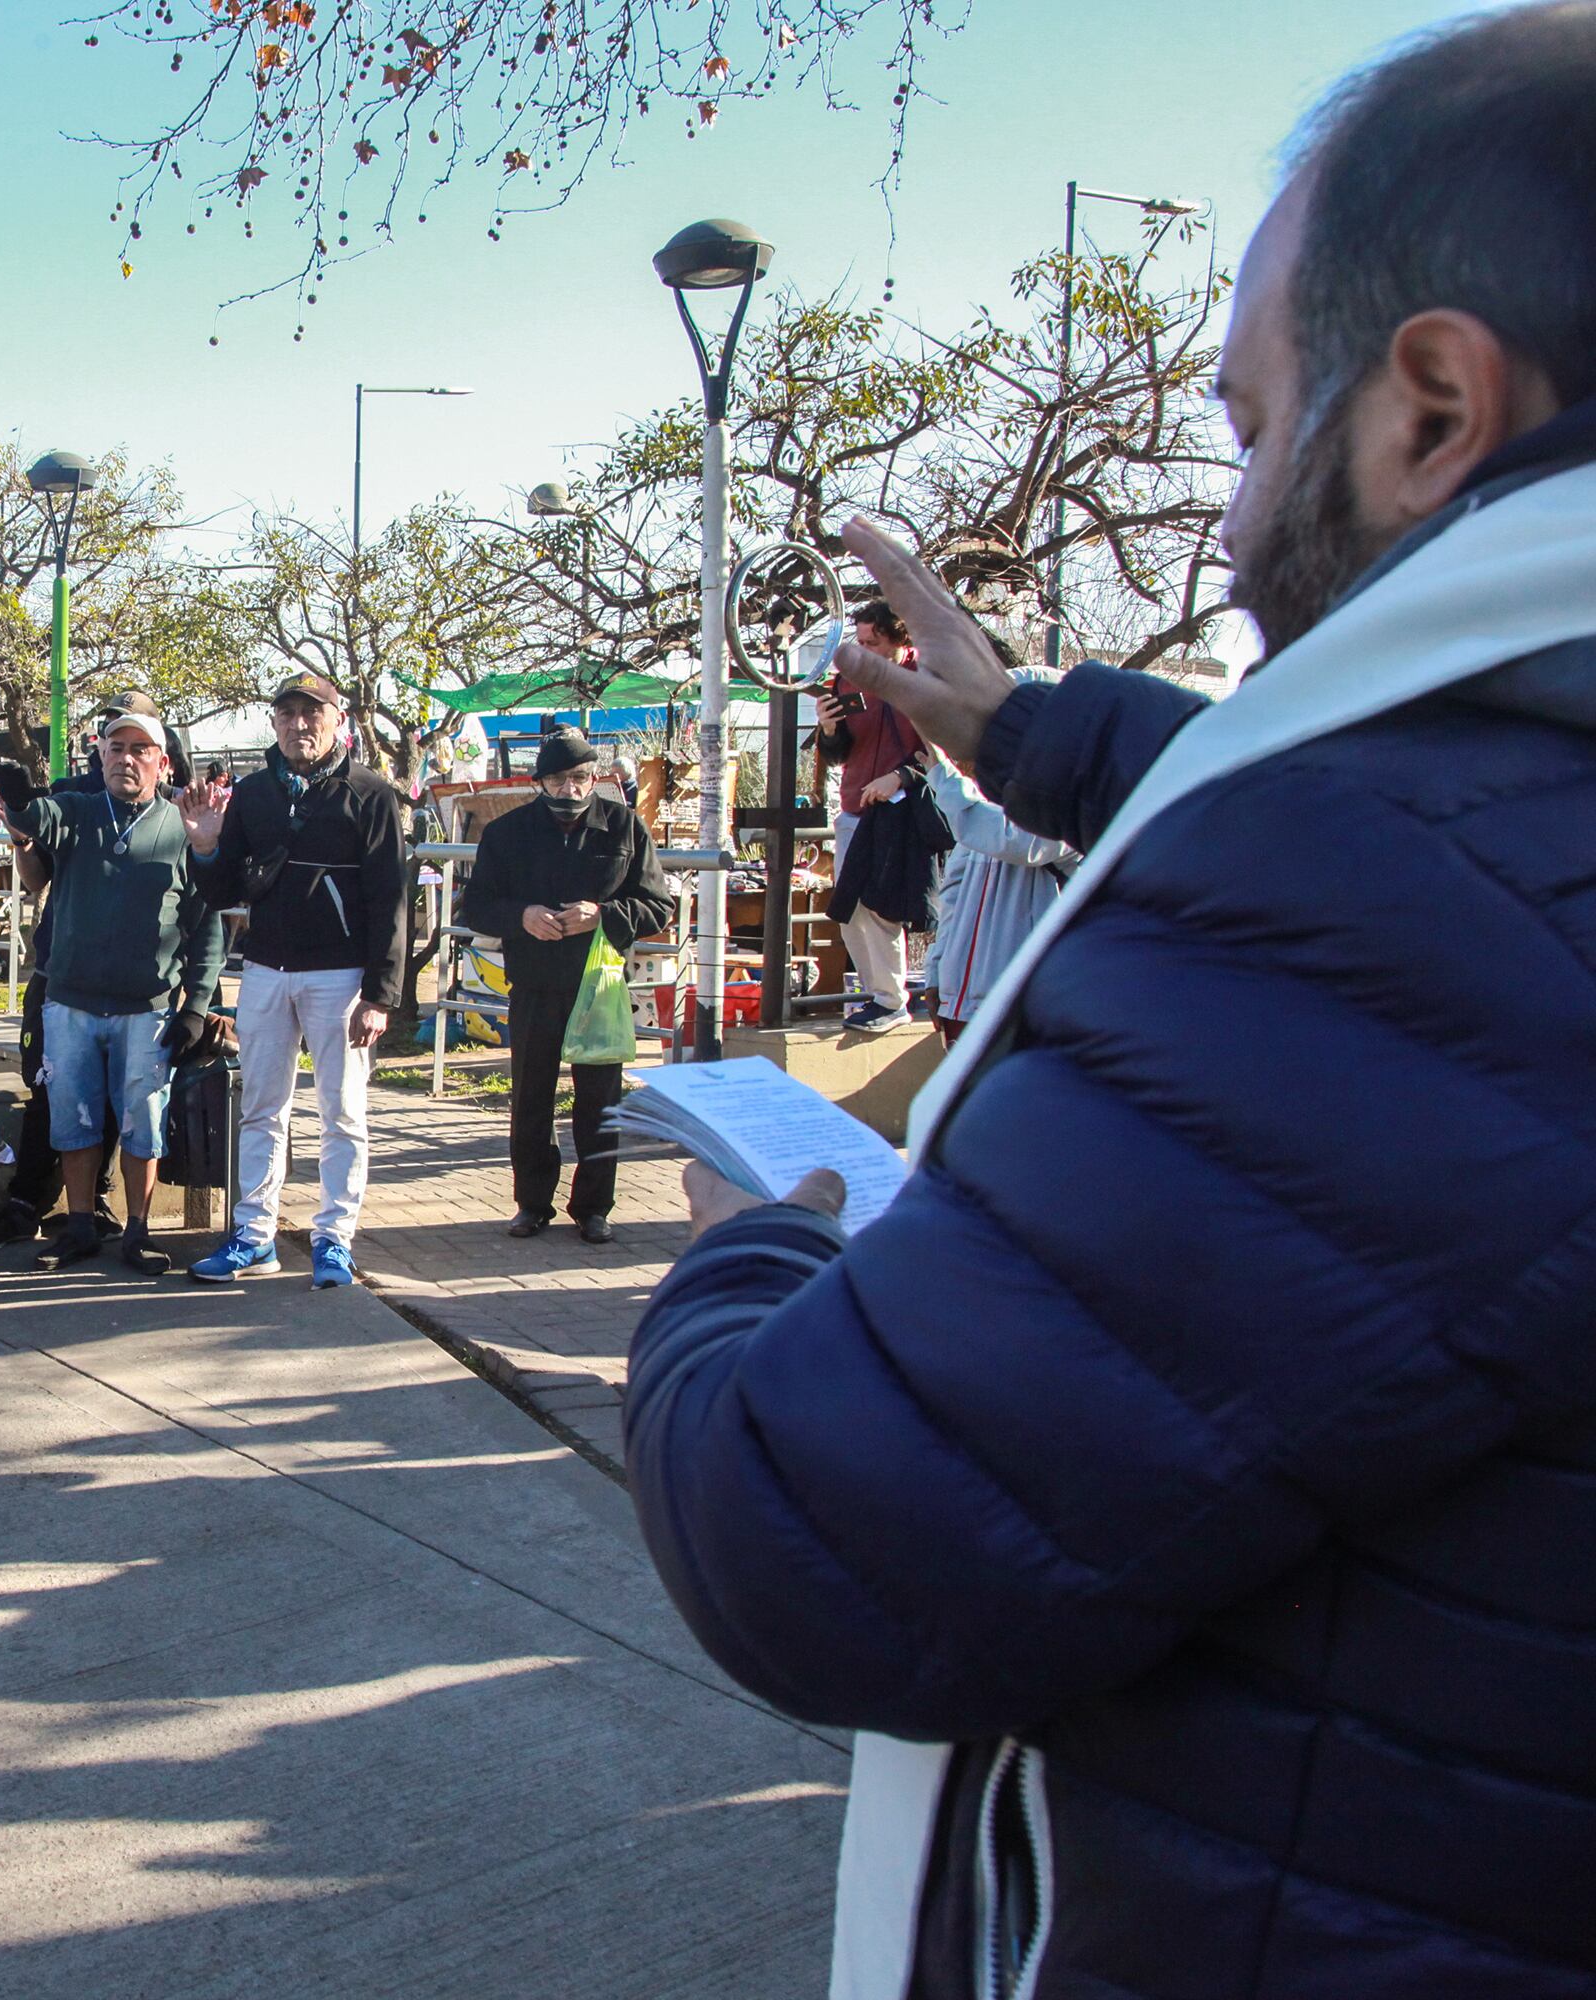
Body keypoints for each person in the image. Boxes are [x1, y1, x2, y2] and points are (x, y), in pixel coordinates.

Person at [625, 11, 1596, 1991]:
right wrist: (1049, 732)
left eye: (1250, 432)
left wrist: (744, 1271)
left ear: (1429, 406)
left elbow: (829, 1537)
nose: (1232, 536)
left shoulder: (1388, 905)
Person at [176, 671, 408, 1289]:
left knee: (343, 1113)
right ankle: (254, 1236)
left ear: (339, 722)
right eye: (288, 714)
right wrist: (203, 846)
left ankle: (334, 1238)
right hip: (266, 970)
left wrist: (381, 994)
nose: (300, 725)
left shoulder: (372, 794)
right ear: (273, 721)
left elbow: (390, 902)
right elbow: (224, 888)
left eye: (313, 714)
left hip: (342, 975)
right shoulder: (253, 794)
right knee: (260, 1109)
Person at [0, 707, 223, 1277]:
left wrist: (196, 1007)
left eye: (140, 750)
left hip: (145, 1010)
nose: (127, 759)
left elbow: (209, 923)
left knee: (143, 1125)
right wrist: (19, 804)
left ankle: (137, 1233)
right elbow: (35, 817)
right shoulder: (76, 809)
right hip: (69, 1002)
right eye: (115, 748)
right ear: (100, 756)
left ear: (162, 762)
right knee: (73, 1120)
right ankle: (77, 1227)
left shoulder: (182, 826)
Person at [456, 730, 675, 1245]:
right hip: (533, 982)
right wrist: (522, 916)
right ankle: (532, 1203)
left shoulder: (624, 826)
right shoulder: (508, 832)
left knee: (599, 1101)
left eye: (579, 778)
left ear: (595, 778)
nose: (570, 789)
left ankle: (594, 1207)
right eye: (558, 779)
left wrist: (603, 915)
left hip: (597, 985)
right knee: (531, 1096)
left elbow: (657, 905)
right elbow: (477, 906)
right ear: (540, 783)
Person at [0, 701, 132, 1254]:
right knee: (46, 1085)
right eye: (108, 734)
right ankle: (24, 1204)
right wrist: (22, 836)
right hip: (59, 973)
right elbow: (36, 882)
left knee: (113, 1095)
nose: (116, 748)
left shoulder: (163, 806)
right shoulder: (67, 797)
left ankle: (96, 1203)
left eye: (131, 738)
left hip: (130, 983)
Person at [917, 668, 1071, 1045]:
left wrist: (942, 775)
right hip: (964, 1009)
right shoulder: (986, 802)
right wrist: (938, 974)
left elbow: (1010, 839)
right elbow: (953, 897)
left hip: (1027, 1012)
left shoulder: (1076, 804)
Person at [815, 601, 929, 1029]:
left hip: (905, 811)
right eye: (859, 642)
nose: (865, 651)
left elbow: (946, 753)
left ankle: (891, 999)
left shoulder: (925, 678)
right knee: (849, 907)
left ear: (901, 642)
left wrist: (900, 777)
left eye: (874, 643)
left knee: (883, 908)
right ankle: (881, 996)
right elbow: (838, 753)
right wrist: (828, 730)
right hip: (856, 806)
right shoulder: (846, 680)